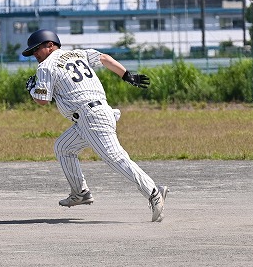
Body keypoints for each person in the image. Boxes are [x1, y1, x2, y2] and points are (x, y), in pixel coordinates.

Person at [23, 29, 168, 222]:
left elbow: (42, 100)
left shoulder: (46, 66)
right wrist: (126, 75)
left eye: (36, 49)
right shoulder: (78, 53)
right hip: (94, 114)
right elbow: (104, 58)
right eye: (32, 51)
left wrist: (32, 89)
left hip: (90, 117)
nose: (34, 54)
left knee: (115, 158)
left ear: (50, 45)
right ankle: (80, 193)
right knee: (63, 147)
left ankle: (153, 191)